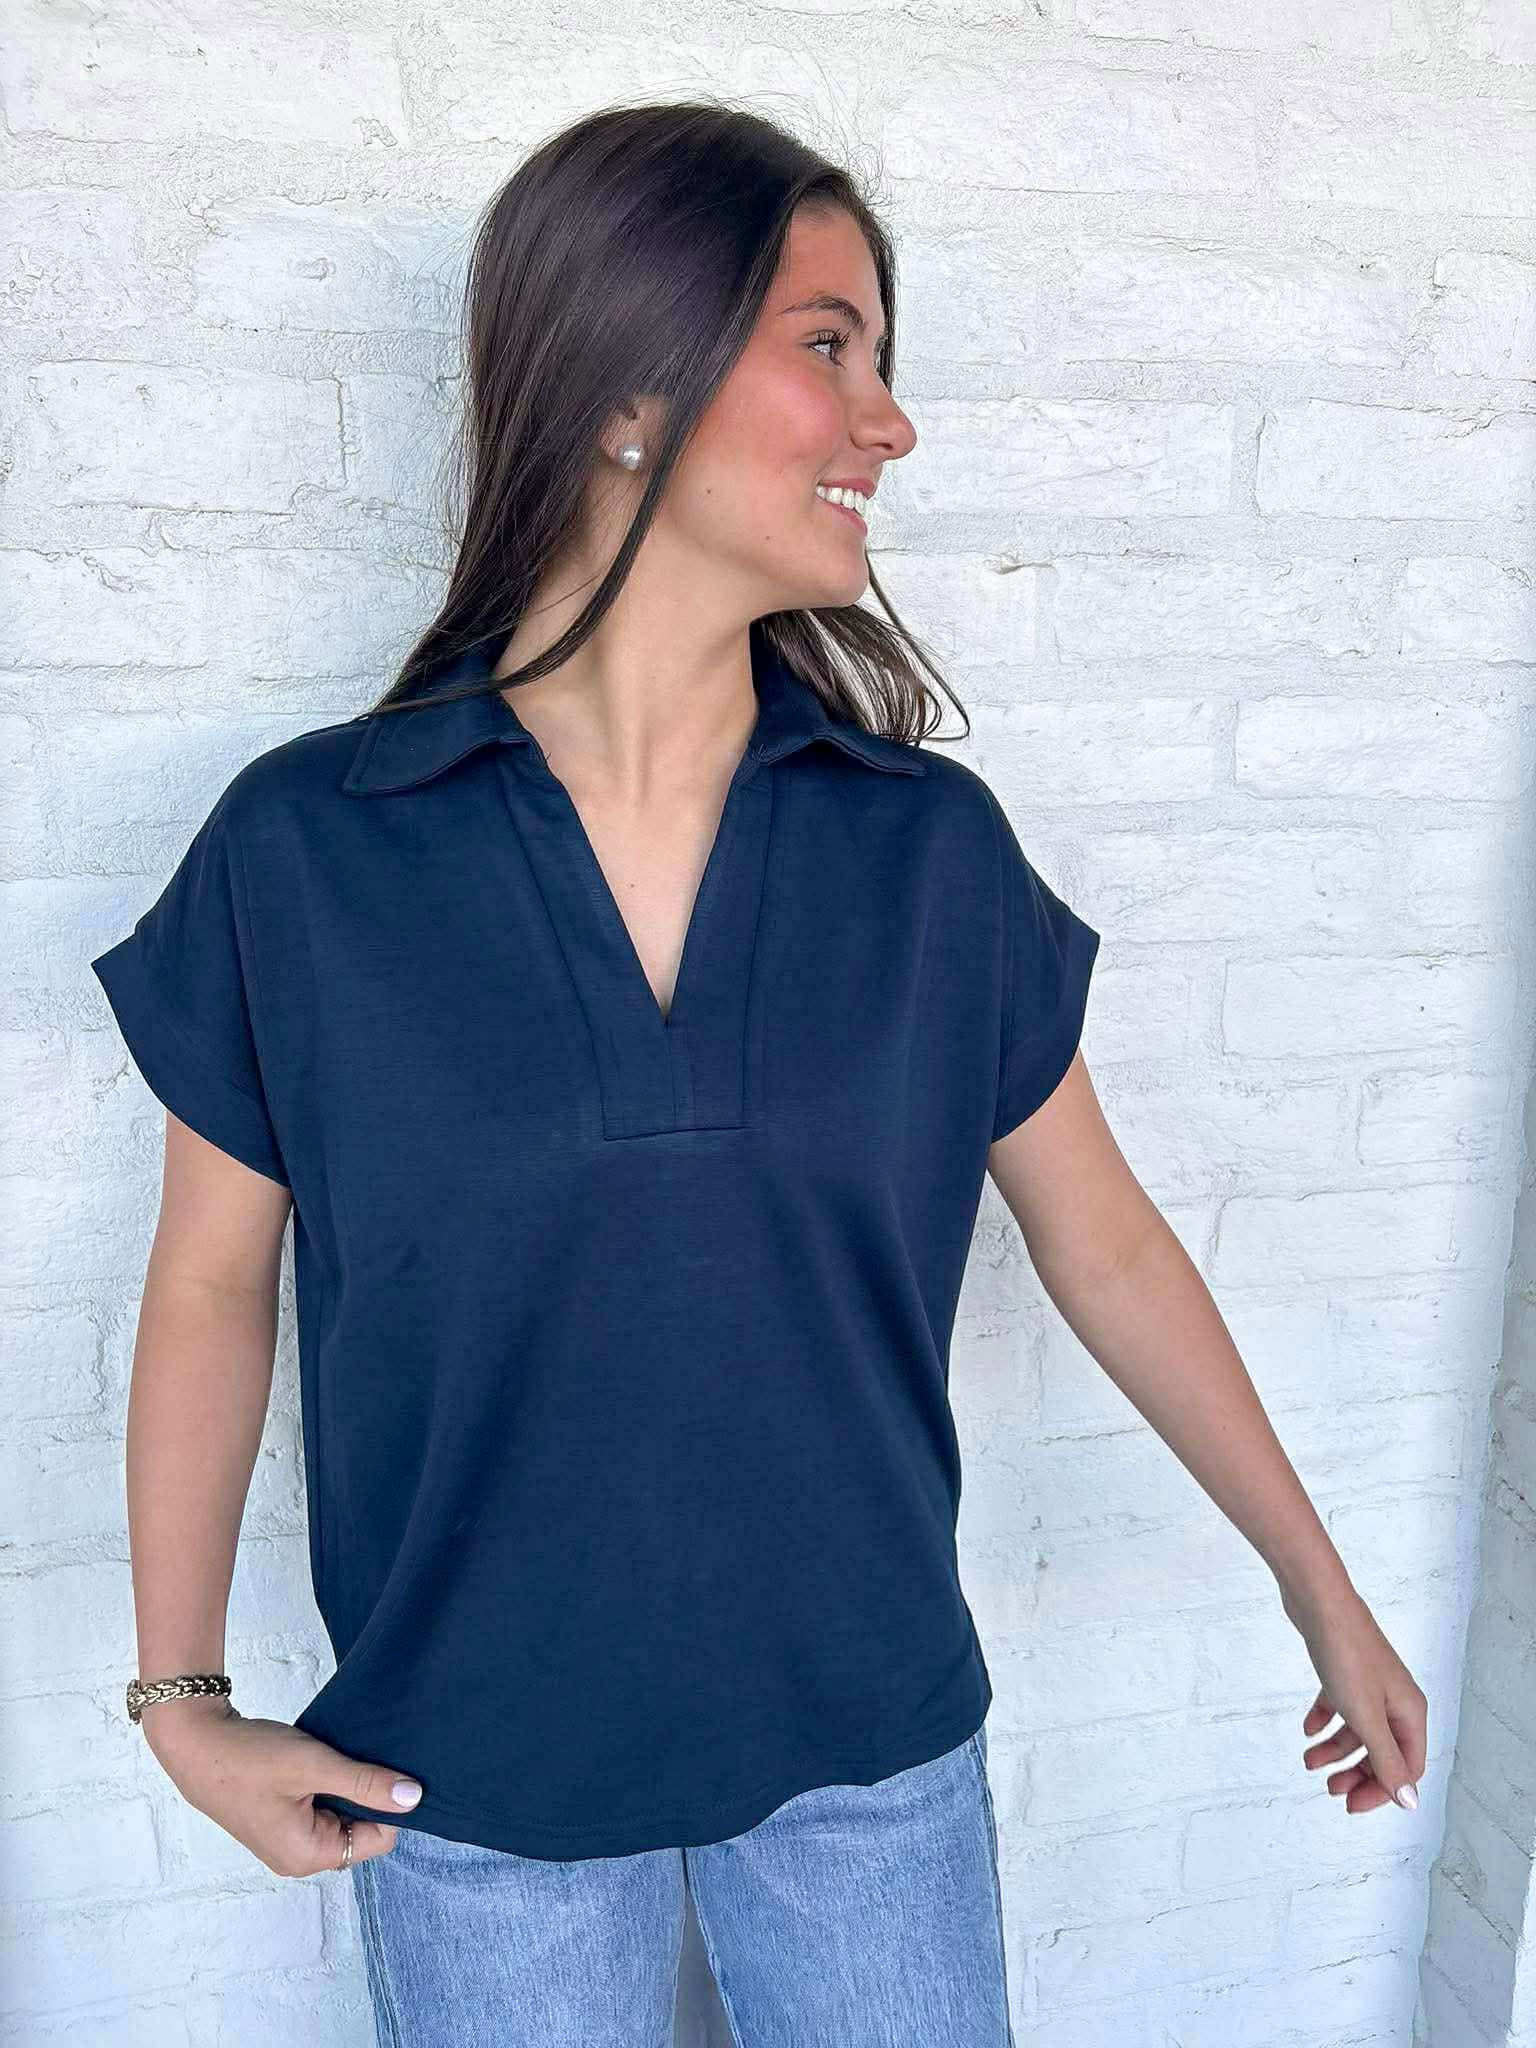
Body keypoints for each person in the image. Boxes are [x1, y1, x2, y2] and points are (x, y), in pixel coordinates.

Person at [90, 100, 1426, 2048]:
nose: (891, 424)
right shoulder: (308, 854)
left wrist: (1320, 1584)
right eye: (829, 346)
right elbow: (211, 1284)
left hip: (874, 1753)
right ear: (630, 388)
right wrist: (180, 1698)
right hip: (465, 1783)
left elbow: (1109, 1244)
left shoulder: (927, 854)